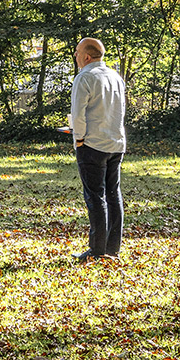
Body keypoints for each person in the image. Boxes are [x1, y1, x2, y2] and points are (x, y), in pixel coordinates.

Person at [69, 36, 127, 262]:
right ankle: (113, 247)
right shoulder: (115, 76)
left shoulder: (84, 77)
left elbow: (78, 114)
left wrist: (79, 139)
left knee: (95, 196)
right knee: (114, 194)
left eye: (76, 52)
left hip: (92, 143)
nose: (75, 56)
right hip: (116, 142)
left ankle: (97, 249)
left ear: (86, 56)